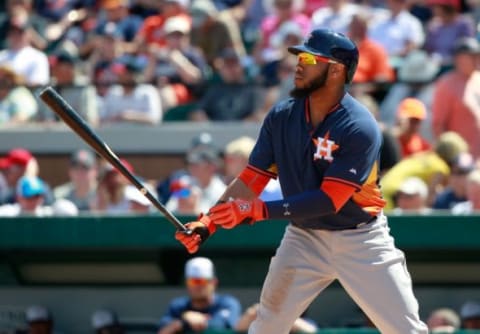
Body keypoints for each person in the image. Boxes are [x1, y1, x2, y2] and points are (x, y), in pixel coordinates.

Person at [175, 29, 428, 333]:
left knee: (406, 329)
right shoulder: (282, 116)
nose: (298, 63)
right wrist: (208, 223)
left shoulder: (359, 126)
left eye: (309, 58)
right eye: (299, 56)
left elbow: (328, 201)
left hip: (361, 239)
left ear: (336, 70)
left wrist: (258, 210)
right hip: (304, 237)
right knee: (267, 325)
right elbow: (251, 179)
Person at [157, 257, 241, 333]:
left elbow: (223, 325)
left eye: (201, 281)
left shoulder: (227, 303)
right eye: (192, 282)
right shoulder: (178, 306)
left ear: (214, 283)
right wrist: (186, 317)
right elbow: (164, 329)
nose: (197, 286)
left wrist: (195, 321)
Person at [432, 37, 480, 159]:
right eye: (472, 56)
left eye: (477, 55)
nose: (477, 59)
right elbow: (439, 125)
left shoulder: (478, 78)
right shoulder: (446, 84)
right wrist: (450, 157)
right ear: (459, 59)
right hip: (463, 158)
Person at [235, 303, 318, 333]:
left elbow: (311, 330)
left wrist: (279, 315)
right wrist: (255, 313)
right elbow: (238, 327)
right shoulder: (263, 320)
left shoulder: (306, 321)